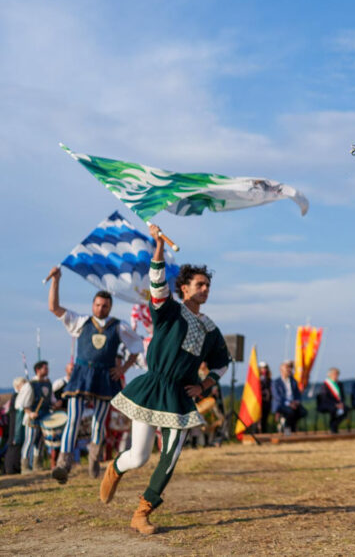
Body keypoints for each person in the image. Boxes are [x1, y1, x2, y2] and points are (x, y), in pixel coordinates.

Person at [100, 224, 231, 535]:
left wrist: (204, 385)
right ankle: (115, 468)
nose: (205, 289)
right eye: (200, 284)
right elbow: (157, 281)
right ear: (183, 288)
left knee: (171, 456)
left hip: (180, 396)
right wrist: (158, 245)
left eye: (208, 286)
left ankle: (143, 510)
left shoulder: (211, 328)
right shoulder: (168, 309)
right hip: (152, 387)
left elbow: (223, 363)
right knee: (139, 456)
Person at [46, 268, 143, 483]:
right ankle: (64, 463)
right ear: (93, 305)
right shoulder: (81, 321)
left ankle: (94, 458)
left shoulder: (119, 326)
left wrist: (123, 369)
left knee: (99, 422)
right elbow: (54, 307)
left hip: (105, 376)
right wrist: (56, 280)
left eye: (105, 305)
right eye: (98, 305)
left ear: (110, 307)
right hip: (81, 374)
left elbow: (137, 346)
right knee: (73, 418)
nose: (101, 308)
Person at [16, 361, 54, 473]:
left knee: (40, 442)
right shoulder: (30, 385)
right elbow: (21, 403)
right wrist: (30, 412)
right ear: (38, 370)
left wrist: (55, 403)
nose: (47, 370)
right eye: (45, 368)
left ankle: (38, 465)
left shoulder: (48, 383)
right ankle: (25, 466)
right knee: (29, 441)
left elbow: (50, 399)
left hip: (45, 417)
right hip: (33, 418)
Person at [272, 362, 306, 434]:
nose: (289, 370)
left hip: (294, 404)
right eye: (287, 369)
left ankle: (291, 430)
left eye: (290, 368)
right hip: (281, 404)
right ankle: (287, 433)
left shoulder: (293, 381)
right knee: (290, 413)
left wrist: (297, 402)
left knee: (303, 412)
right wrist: (289, 403)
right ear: (281, 370)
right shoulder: (276, 382)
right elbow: (277, 397)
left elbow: (297, 394)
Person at [4, 377, 27, 475]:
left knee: (17, 446)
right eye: (23, 384)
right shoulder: (17, 396)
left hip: (17, 425)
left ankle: (15, 468)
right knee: (14, 445)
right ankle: (11, 469)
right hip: (15, 425)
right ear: (18, 386)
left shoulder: (19, 396)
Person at [316, 368, 348, 434]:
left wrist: (341, 403)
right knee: (333, 409)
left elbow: (342, 396)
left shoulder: (339, 384)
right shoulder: (326, 385)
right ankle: (333, 427)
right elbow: (324, 398)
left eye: (337, 374)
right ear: (330, 375)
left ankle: (334, 424)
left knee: (346, 409)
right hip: (327, 404)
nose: (336, 376)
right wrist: (335, 404)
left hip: (338, 404)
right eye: (334, 374)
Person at [258, 362, 273, 433]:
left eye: (265, 368)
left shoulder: (269, 380)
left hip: (267, 402)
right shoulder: (257, 379)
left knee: (264, 420)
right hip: (259, 402)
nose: (264, 370)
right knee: (258, 421)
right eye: (262, 368)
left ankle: (264, 434)